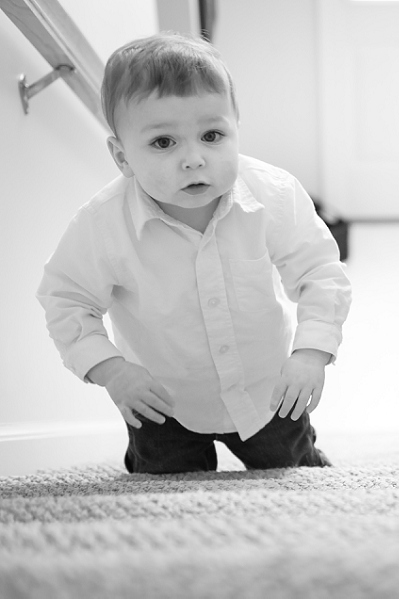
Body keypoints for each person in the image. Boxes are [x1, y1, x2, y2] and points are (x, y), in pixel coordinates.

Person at [36, 32, 351, 474]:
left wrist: (311, 353)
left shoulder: (274, 195)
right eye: (164, 142)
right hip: (162, 402)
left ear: (236, 129)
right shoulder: (102, 225)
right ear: (122, 157)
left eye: (212, 135)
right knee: (167, 489)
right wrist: (112, 371)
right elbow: (66, 299)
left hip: (267, 393)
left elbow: (321, 271)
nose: (194, 159)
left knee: (293, 473)